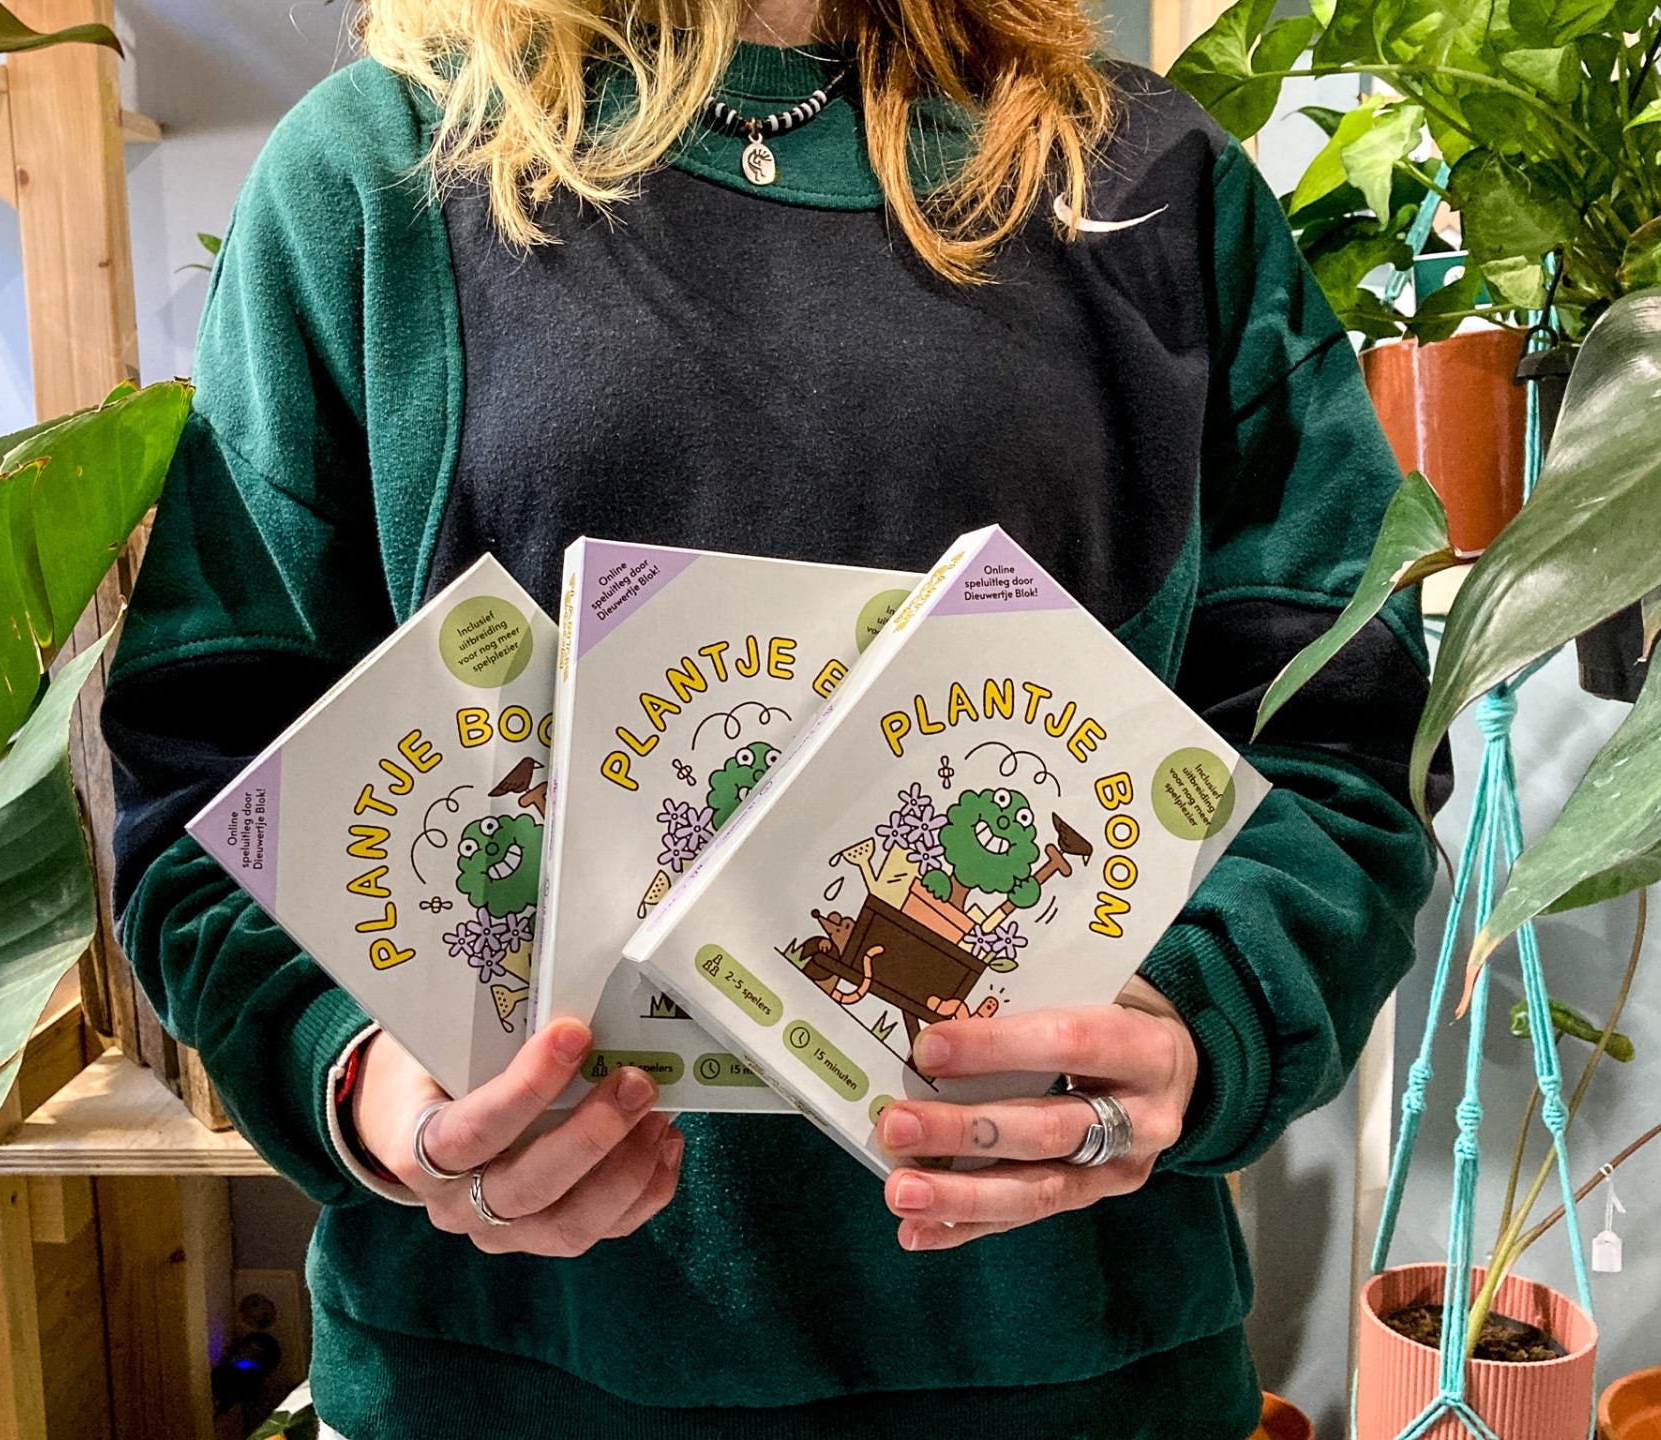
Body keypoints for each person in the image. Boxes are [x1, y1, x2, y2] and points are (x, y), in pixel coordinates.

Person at [101, 0, 1452, 1432]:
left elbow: (1342, 739)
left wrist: (1198, 1017)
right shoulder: (378, 173)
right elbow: (213, 782)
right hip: (506, 1384)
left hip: (1076, 1381)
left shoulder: (1147, 180)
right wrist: (370, 1086)